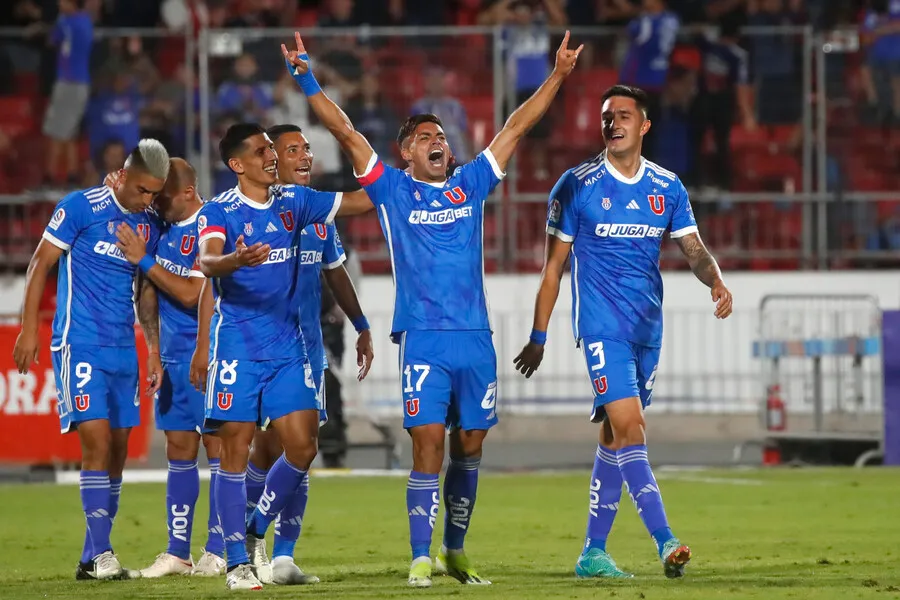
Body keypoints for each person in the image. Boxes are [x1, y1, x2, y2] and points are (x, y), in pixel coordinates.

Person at [282, 30, 582, 587]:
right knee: (427, 442)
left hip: (474, 337)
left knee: (470, 446)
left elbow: (516, 126)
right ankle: (420, 554)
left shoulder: (470, 184)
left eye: (441, 135)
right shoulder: (392, 190)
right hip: (422, 336)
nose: (437, 141)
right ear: (407, 152)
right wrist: (305, 76)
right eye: (425, 137)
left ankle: (454, 550)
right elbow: (345, 131)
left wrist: (559, 76)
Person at [513, 85, 734, 580]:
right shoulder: (576, 185)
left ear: (645, 125)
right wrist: (539, 335)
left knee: (615, 438)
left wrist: (715, 280)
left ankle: (593, 552)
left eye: (624, 115)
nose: (613, 123)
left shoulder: (667, 187)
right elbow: (553, 269)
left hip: (646, 329)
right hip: (600, 329)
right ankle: (666, 541)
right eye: (607, 115)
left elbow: (693, 249)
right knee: (633, 428)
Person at [194, 122, 372, 590]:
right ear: (237, 164)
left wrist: (400, 179)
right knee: (234, 454)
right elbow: (207, 261)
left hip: (290, 349)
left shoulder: (297, 202)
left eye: (273, 150)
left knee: (303, 446)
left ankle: (255, 532)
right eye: (262, 151)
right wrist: (235, 261)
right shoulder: (219, 211)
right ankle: (236, 564)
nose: (271, 157)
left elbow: (362, 201)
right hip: (238, 348)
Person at [13, 139, 170, 580]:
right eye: (142, 191)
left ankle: (91, 557)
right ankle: (103, 556)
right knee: (97, 444)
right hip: (78, 343)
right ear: (122, 176)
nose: (147, 201)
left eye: (154, 194)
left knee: (118, 453)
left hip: (125, 347)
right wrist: (29, 328)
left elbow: (147, 293)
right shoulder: (79, 207)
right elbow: (40, 263)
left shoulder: (148, 225)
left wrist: (153, 349)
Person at [103, 158, 227, 578]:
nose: (155, 203)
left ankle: (218, 548)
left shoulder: (212, 224)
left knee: (219, 450)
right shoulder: (159, 227)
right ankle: (177, 552)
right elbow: (149, 290)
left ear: (188, 193)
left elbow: (194, 293)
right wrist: (153, 350)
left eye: (163, 196)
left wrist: (143, 259)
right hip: (172, 357)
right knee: (179, 450)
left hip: (211, 355)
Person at [42, 0, 93, 188]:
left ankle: (49, 178)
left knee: (56, 132)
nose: (58, 3)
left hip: (69, 83)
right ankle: (71, 177)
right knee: (69, 132)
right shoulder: (85, 21)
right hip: (79, 84)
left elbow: (52, 40)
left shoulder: (67, 21)